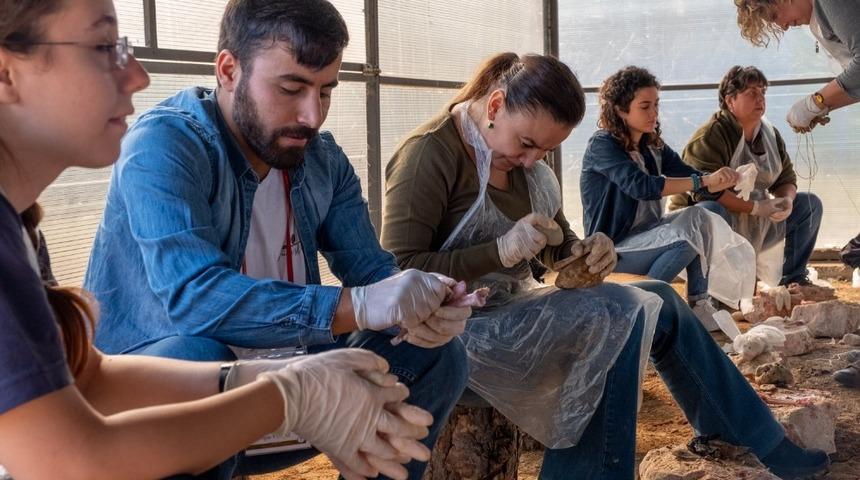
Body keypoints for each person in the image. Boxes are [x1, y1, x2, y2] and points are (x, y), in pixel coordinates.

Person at [0, 1, 433, 479]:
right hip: (164, 374)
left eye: (326, 90)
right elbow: (70, 461)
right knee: (198, 351)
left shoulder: (18, 224)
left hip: (247, 363)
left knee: (427, 353)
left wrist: (413, 303)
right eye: (104, 47)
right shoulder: (169, 142)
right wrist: (289, 391)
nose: (139, 76)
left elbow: (90, 373)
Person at [382, 52, 829, 480]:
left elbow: (554, 244)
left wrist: (584, 251)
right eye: (526, 145)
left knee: (656, 298)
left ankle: (750, 437)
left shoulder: (528, 164)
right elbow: (395, 273)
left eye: (544, 151)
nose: (531, 160)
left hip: (506, 312)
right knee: (618, 313)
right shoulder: (430, 154)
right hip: (446, 336)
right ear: (496, 105)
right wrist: (497, 253)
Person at [580, 66, 755, 329]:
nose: (654, 113)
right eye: (645, 106)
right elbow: (641, 186)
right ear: (619, 109)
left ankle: (699, 304)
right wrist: (703, 180)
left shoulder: (651, 145)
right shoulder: (602, 145)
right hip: (614, 247)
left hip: (649, 235)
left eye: (656, 105)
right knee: (688, 238)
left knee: (707, 213)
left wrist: (728, 179)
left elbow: (693, 178)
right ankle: (638, 312)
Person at [676, 65, 823, 288]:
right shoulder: (712, 135)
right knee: (709, 211)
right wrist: (756, 208)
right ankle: (707, 289)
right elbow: (703, 192)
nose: (760, 99)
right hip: (710, 221)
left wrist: (786, 202)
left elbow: (786, 178)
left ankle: (793, 280)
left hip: (755, 218)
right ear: (730, 101)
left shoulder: (770, 134)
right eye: (751, 93)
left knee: (810, 205)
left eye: (762, 92)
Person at [735, 0, 860, 132]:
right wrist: (821, 107)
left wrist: (814, 103)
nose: (783, 26)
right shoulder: (820, 14)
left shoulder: (830, 3)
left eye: (774, 16)